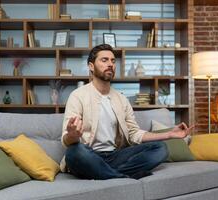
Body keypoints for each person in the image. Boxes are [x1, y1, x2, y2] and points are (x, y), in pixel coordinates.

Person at [61, 44, 193, 180]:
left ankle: (108, 174)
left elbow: (134, 134)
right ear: (91, 66)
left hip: (115, 156)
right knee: (74, 152)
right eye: (104, 60)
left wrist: (170, 133)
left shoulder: (121, 99)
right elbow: (66, 139)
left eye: (113, 61)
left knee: (160, 149)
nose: (110, 64)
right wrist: (72, 135)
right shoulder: (78, 96)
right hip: (89, 154)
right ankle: (123, 176)